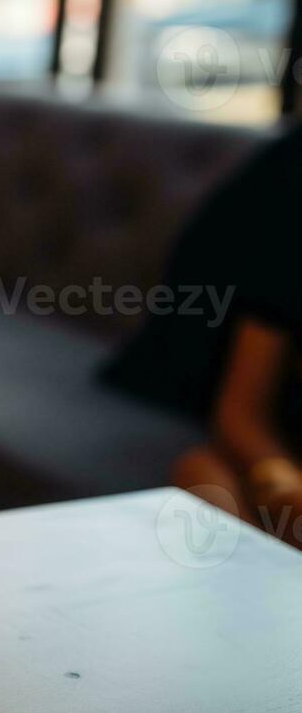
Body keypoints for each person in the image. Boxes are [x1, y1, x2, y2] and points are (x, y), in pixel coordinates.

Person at [102, 123, 302, 546]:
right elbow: (239, 415)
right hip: (249, 432)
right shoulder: (289, 196)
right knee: (202, 474)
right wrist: (284, 485)